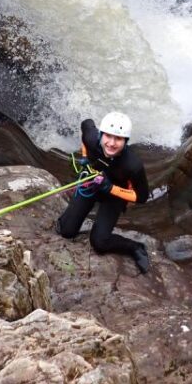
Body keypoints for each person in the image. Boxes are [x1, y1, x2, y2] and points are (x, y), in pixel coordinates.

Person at [55, 111, 151, 273]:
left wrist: (110, 188)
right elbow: (86, 123)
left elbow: (141, 196)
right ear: (101, 135)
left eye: (118, 139)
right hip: (91, 184)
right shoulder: (92, 139)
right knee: (66, 231)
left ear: (125, 141)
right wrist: (85, 158)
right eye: (108, 136)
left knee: (100, 243)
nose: (112, 143)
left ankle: (135, 247)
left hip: (114, 195)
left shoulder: (132, 165)